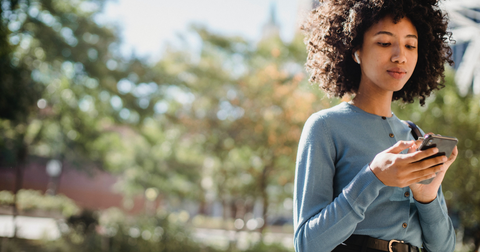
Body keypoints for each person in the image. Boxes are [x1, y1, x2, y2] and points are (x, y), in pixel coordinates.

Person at [293, 0, 458, 251]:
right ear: (355, 49)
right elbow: (306, 244)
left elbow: (444, 248)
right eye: (384, 43)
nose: (400, 56)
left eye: (410, 45)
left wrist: (427, 198)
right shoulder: (325, 127)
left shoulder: (416, 136)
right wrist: (373, 177)